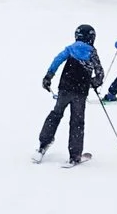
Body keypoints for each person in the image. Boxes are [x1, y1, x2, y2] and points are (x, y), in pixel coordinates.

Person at [38, 23, 105, 165]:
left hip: (65, 89)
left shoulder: (70, 49)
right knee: (77, 122)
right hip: (80, 93)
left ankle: (43, 143)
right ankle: (75, 155)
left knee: (56, 114)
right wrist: (93, 82)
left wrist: (48, 77)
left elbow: (57, 60)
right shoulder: (92, 52)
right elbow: (100, 74)